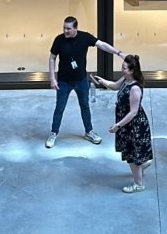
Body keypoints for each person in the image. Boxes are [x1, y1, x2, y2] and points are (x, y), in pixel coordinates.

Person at [46, 16, 126, 149]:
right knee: (59, 108)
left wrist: (118, 53)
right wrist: (52, 78)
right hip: (64, 82)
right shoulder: (59, 40)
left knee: (85, 106)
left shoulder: (85, 37)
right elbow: (52, 58)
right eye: (64, 28)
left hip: (81, 80)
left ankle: (89, 132)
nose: (65, 31)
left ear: (75, 28)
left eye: (68, 28)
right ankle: (53, 133)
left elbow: (102, 45)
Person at [91, 54, 153, 193]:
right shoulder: (126, 79)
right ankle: (142, 167)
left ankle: (138, 184)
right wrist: (101, 80)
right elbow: (114, 86)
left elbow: (133, 112)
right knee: (132, 153)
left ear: (132, 70)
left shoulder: (135, 88)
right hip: (127, 124)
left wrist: (118, 125)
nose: (122, 70)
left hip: (134, 126)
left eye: (124, 68)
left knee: (132, 154)